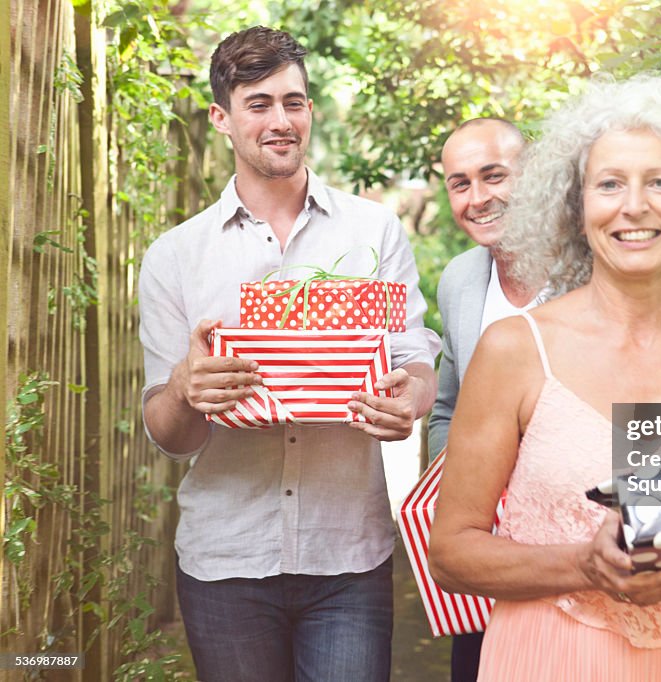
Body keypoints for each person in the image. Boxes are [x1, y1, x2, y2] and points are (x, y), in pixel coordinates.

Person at [430, 74, 661, 681]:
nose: (634, 207)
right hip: (549, 658)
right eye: (610, 184)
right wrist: (582, 566)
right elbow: (451, 552)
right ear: (576, 205)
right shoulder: (515, 349)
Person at [137, 27, 440, 682]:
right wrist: (187, 389)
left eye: (294, 102)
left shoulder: (373, 231)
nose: (282, 120)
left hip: (348, 561)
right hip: (225, 562)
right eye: (259, 103)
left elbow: (413, 353)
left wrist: (409, 399)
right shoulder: (176, 257)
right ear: (221, 117)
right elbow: (169, 436)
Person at [427, 118, 534, 682]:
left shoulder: (598, 272)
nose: (478, 198)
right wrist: (460, 489)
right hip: (485, 563)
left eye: (495, 176)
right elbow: (447, 408)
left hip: (579, 554)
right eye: (460, 183)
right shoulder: (460, 281)